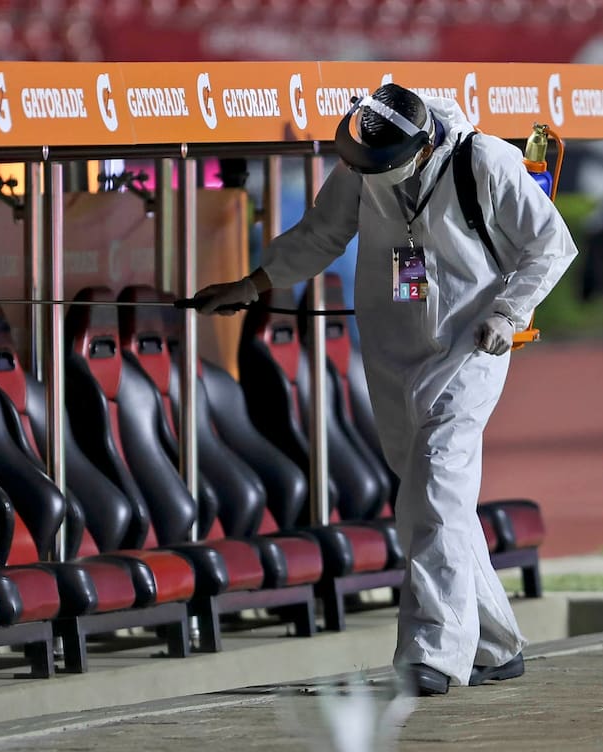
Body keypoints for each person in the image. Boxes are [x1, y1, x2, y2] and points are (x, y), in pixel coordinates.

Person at [190, 83, 577, 696]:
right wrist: (250, 286)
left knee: (437, 489)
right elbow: (321, 233)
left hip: (469, 349)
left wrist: (508, 313)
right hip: (393, 350)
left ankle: (433, 654)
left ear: (422, 149)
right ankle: (496, 645)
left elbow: (551, 246)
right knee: (430, 497)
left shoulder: (485, 161)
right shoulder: (364, 159)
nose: (363, 176)